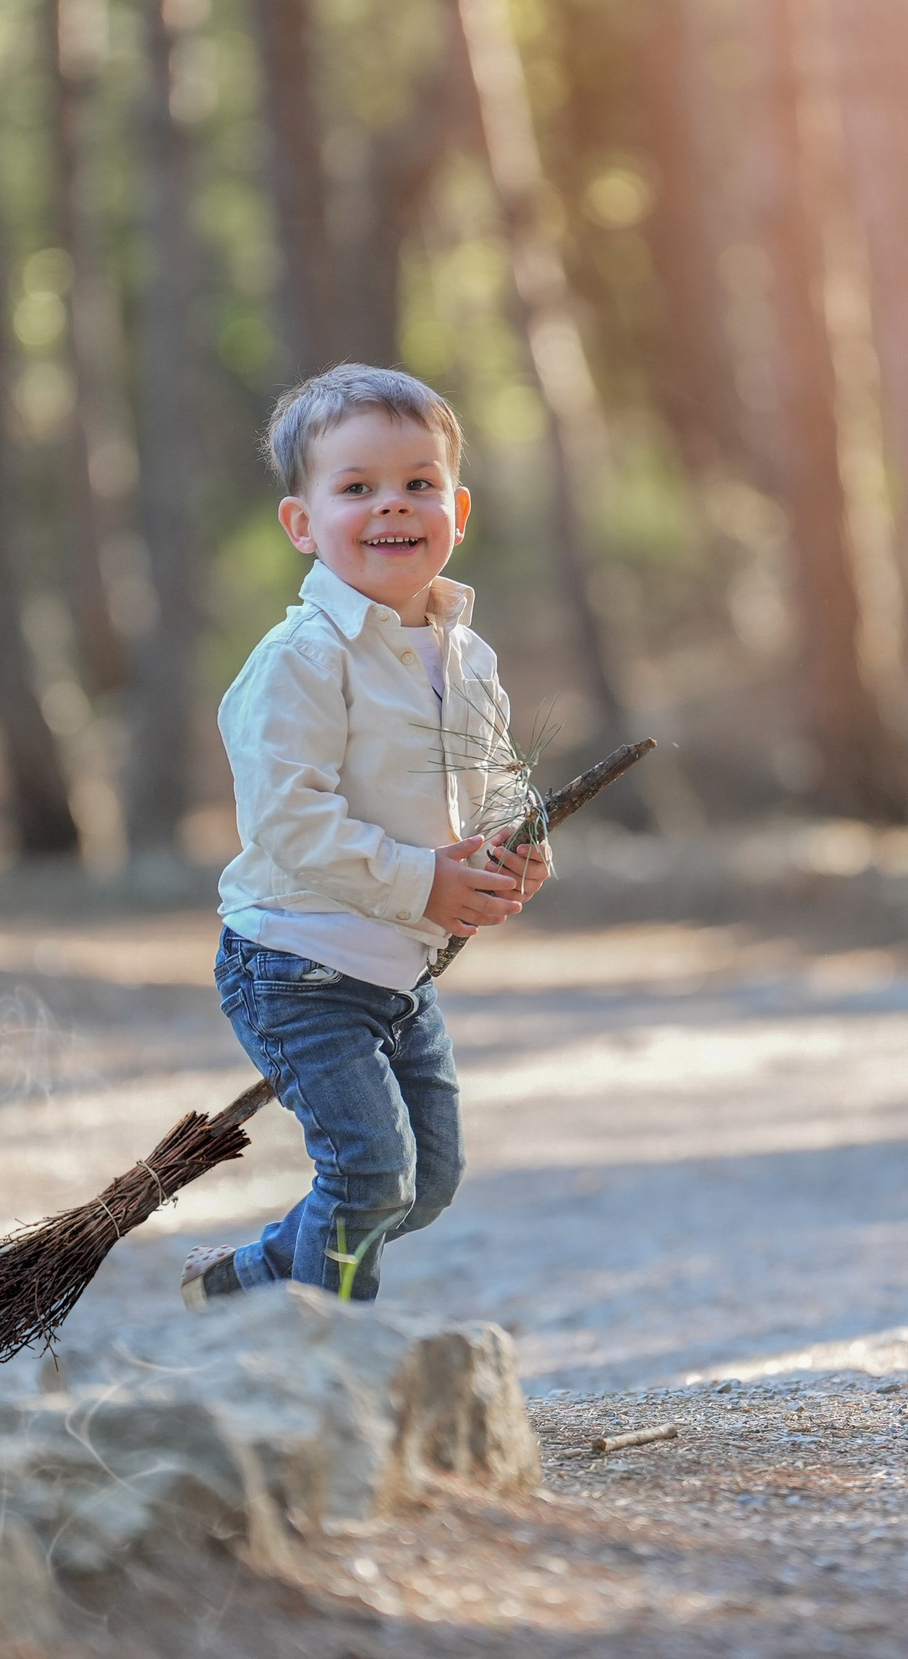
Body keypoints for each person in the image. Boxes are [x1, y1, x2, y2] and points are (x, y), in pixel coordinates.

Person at [185, 363, 549, 1309]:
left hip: (395, 967)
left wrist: (518, 837)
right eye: (357, 488)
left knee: (424, 1184)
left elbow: (493, 770)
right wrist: (423, 882)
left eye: (418, 483)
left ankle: (256, 1275)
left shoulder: (465, 652)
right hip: (296, 963)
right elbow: (290, 819)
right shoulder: (302, 661)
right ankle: (325, 1367)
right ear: (302, 523)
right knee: (370, 1172)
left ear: (457, 508)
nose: (394, 504)